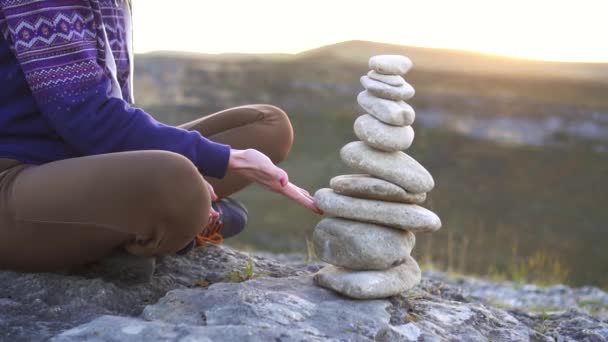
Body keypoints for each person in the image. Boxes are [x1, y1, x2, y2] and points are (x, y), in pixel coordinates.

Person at [0, 0, 322, 276]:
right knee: (177, 184)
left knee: (268, 126)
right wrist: (226, 158)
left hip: (81, 159)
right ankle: (163, 225)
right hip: (14, 176)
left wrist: (197, 156)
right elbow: (87, 116)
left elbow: (110, 113)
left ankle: (138, 227)